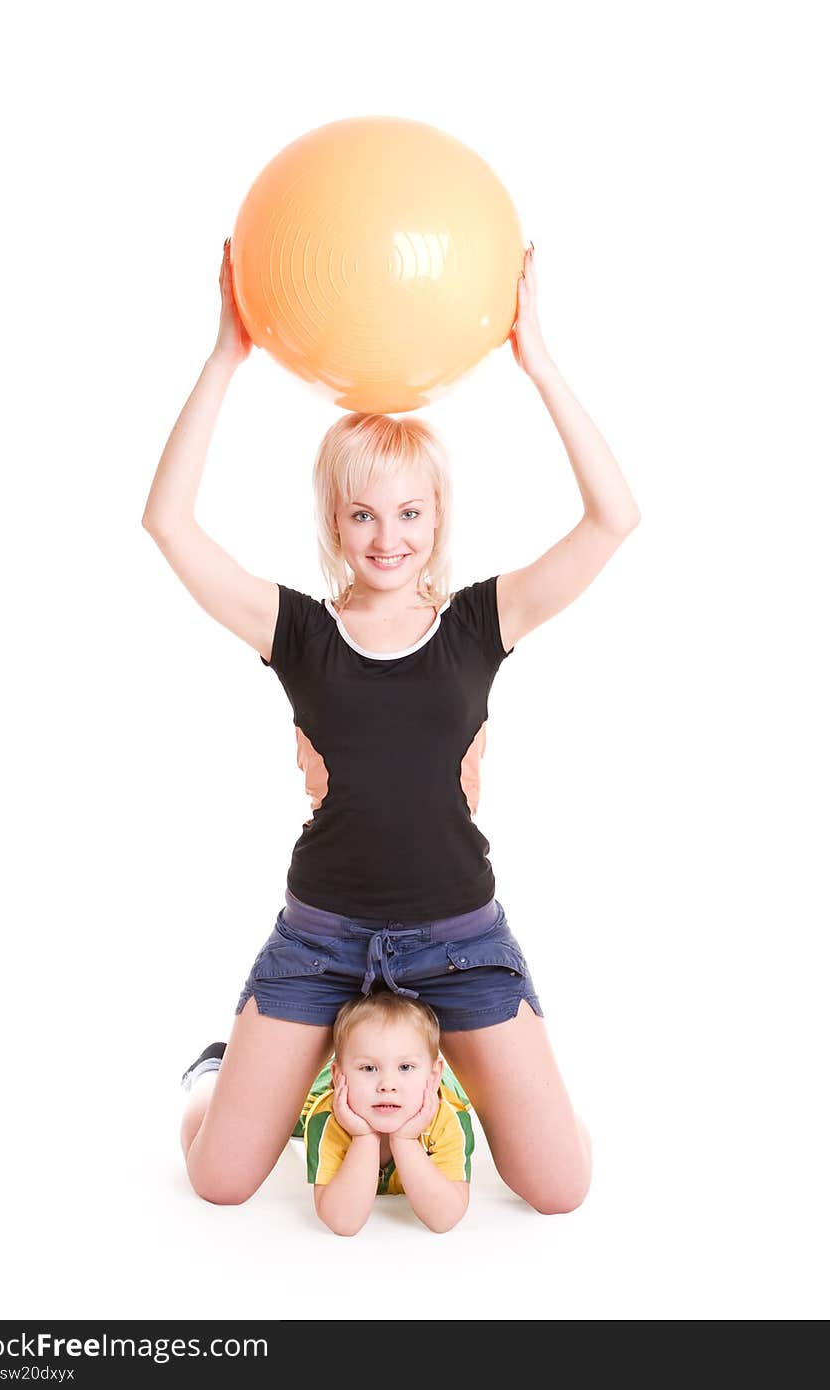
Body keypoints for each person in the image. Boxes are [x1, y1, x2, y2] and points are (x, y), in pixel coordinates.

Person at [144, 233, 641, 1215]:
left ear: (435, 517)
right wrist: (222, 357)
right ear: (335, 522)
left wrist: (536, 359)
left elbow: (612, 519)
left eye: (408, 514)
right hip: (321, 938)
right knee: (219, 1180)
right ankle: (243, 1072)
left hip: (457, 941)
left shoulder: (476, 623)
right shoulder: (298, 631)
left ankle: (431, 1076)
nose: (387, 537)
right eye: (363, 516)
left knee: (558, 1187)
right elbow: (168, 522)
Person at [184, 990, 475, 1235]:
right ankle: (212, 1070)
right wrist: (363, 1137)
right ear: (340, 1076)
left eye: (405, 1068)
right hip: (327, 1090)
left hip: (425, 1088)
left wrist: (406, 1141)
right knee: (255, 1122)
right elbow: (343, 1221)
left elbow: (444, 1218)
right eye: (369, 1068)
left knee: (466, 1085)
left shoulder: (446, 1118)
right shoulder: (329, 1116)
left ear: (434, 1076)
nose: (387, 1085)